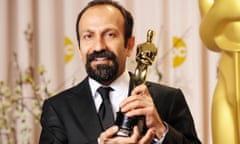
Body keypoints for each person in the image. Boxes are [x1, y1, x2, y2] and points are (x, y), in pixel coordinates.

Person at [39, 1, 201, 144]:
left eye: (110, 35)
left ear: (129, 45)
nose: (98, 46)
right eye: (88, 36)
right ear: (80, 48)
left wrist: (160, 130)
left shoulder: (168, 99)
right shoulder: (58, 109)